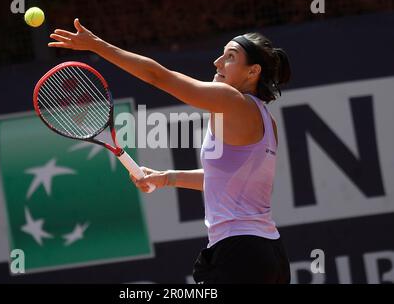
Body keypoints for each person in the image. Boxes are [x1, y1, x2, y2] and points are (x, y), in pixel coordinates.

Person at [49, 18, 291, 284]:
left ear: (252, 72)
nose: (217, 62)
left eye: (230, 57)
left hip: (239, 255)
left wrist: (97, 45)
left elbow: (158, 76)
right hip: (270, 254)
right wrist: (165, 177)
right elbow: (224, 179)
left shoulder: (232, 101)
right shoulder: (266, 120)